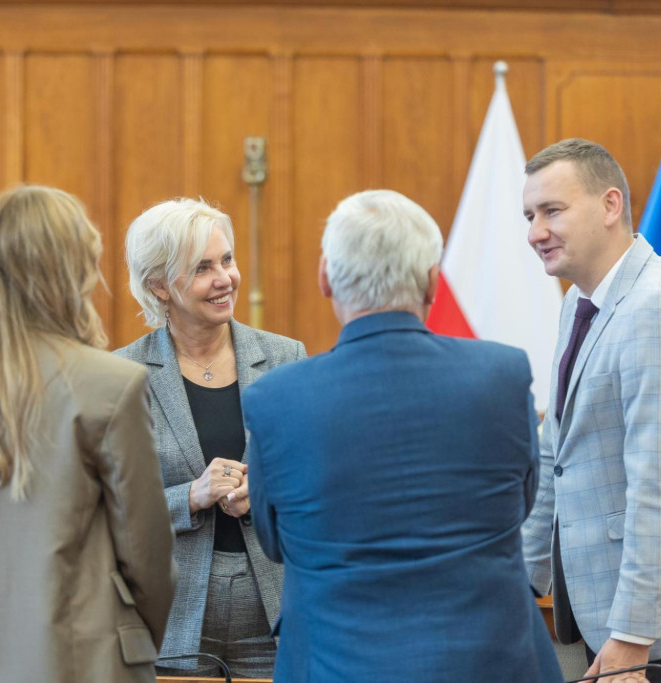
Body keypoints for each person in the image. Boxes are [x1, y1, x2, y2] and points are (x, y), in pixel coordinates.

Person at [241, 189, 564, 682]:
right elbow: (520, 504)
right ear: (434, 282)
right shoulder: (502, 376)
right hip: (491, 662)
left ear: (325, 277)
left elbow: (273, 540)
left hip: (335, 664)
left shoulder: (275, 400)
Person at [0, 185, 175, 683]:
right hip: (78, 662)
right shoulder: (109, 383)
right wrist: (132, 646)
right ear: (74, 269)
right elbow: (148, 557)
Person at [521, 138, 661, 683]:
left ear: (610, 205)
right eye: (529, 216)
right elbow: (556, 452)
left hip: (659, 639)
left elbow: (659, 487)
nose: (534, 232)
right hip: (596, 621)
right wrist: (517, 584)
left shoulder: (659, 307)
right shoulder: (579, 303)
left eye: (552, 210)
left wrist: (630, 637)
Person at [115, 198, 305, 677]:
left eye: (227, 260)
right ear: (159, 285)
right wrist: (190, 497)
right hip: (168, 621)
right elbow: (103, 513)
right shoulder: (121, 376)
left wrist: (262, 494)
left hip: (277, 616)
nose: (225, 278)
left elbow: (316, 483)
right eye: (202, 268)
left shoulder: (286, 359)